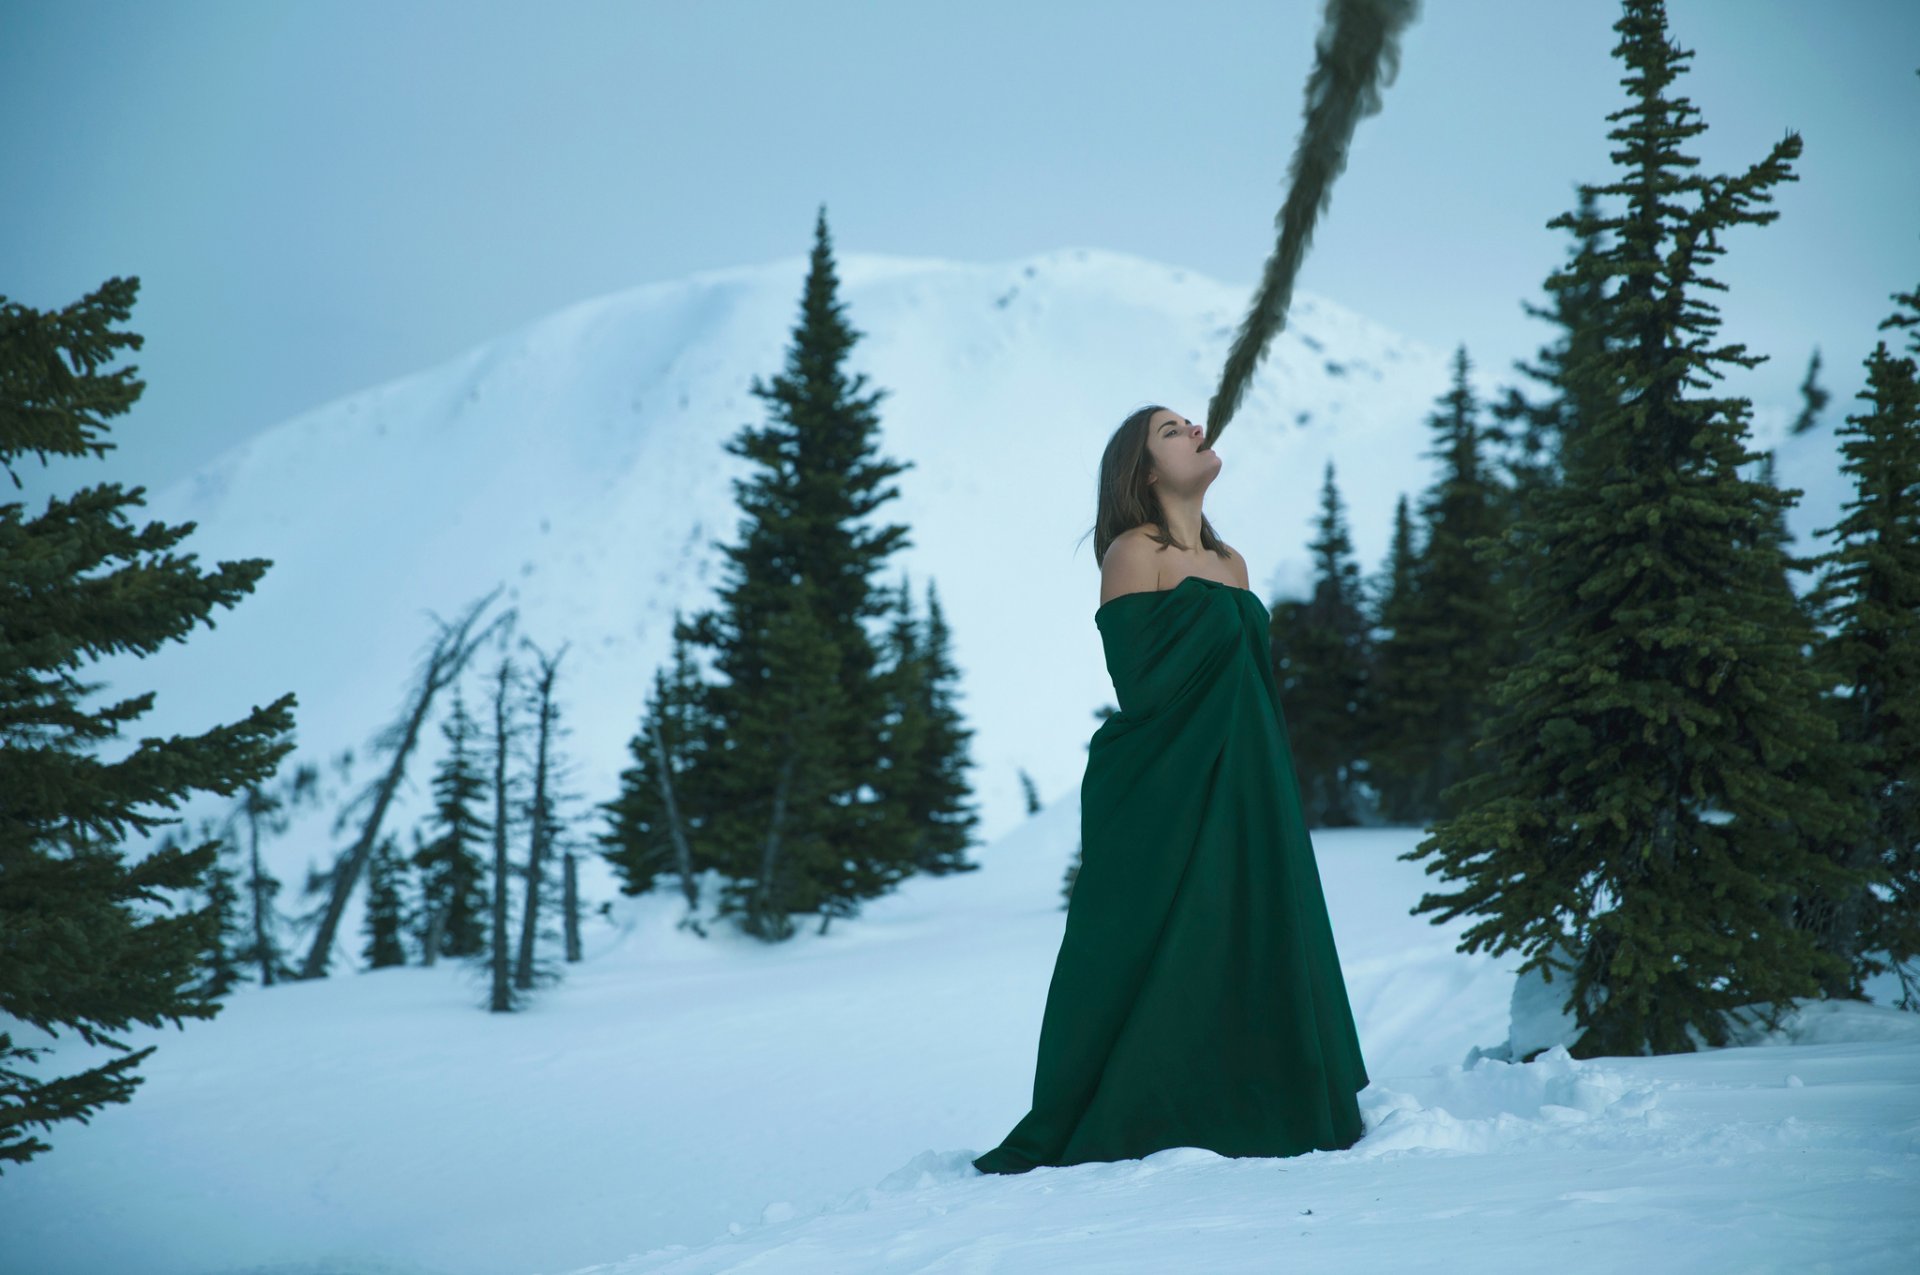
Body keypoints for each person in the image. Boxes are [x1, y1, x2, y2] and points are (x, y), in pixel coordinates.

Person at [972, 404, 1371, 1175]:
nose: (1193, 428)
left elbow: (1251, 684)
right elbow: (1146, 687)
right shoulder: (1132, 552)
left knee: (1254, 929)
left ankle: (1266, 1093)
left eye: (1190, 420)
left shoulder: (1234, 563)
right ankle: (1143, 1106)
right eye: (1170, 430)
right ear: (1146, 471)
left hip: (1253, 776)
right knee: (1159, 943)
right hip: (1172, 781)